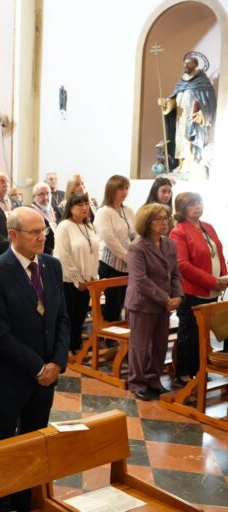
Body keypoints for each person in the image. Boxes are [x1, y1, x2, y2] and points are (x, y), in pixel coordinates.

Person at [0, 207, 70, 512]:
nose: (42, 236)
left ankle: (25, 500)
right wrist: (38, 367)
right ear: (14, 235)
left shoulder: (52, 267)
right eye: (34, 232)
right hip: (9, 375)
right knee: (2, 447)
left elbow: (62, 320)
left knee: (33, 444)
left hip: (46, 375)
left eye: (43, 230)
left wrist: (56, 363)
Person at [125, 204, 183, 401]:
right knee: (140, 346)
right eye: (159, 218)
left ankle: (153, 380)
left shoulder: (169, 244)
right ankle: (137, 383)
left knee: (159, 345)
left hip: (164, 303)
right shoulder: (137, 247)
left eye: (166, 218)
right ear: (147, 222)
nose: (164, 222)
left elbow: (175, 274)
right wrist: (166, 299)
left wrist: (178, 296)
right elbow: (140, 280)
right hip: (143, 303)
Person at [170, 192, 228, 386]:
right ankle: (183, 374)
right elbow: (182, 265)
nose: (197, 207)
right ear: (182, 208)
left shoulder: (208, 227)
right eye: (192, 204)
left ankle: (198, 370)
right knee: (189, 333)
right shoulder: (179, 231)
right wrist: (212, 281)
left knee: (202, 335)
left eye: (199, 203)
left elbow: (218, 254)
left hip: (211, 288)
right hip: (192, 290)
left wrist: (224, 278)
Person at [53, 193, 99, 356]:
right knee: (68, 315)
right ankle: (63, 347)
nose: (85, 208)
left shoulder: (89, 226)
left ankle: (76, 343)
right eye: (80, 205)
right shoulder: (64, 226)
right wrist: (77, 279)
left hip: (87, 279)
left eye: (86, 204)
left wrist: (93, 275)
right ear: (70, 208)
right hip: (69, 279)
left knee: (80, 314)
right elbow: (63, 255)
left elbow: (94, 252)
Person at [160, 54, 216, 171]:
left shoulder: (202, 82)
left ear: (195, 65)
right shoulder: (181, 82)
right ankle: (182, 164)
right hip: (180, 120)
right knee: (180, 141)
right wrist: (166, 102)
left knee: (190, 141)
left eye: (188, 63)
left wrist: (202, 114)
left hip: (193, 120)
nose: (185, 65)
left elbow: (209, 101)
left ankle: (192, 164)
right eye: (184, 63)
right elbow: (174, 101)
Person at [94, 175, 136, 322]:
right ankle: (107, 334)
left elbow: (134, 234)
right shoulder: (104, 212)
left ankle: (117, 332)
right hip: (110, 263)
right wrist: (128, 256)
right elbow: (109, 239)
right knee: (112, 302)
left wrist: (137, 252)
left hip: (128, 263)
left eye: (126, 188)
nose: (124, 192)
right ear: (112, 190)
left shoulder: (128, 210)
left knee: (122, 302)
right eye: (121, 188)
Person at [30, 182, 57, 255]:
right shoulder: (31, 214)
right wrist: (50, 251)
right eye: (41, 194)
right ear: (34, 197)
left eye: (48, 193)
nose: (45, 197)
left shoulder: (57, 210)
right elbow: (32, 238)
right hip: (42, 254)